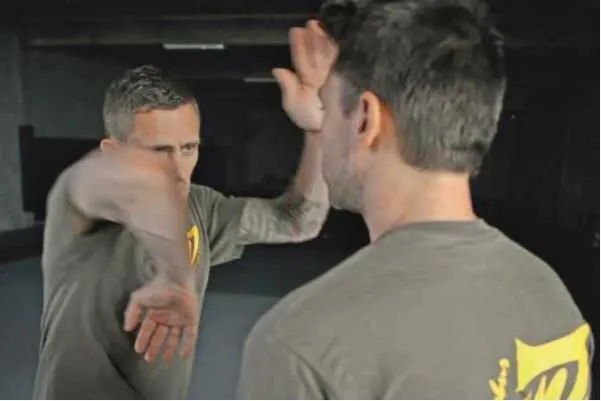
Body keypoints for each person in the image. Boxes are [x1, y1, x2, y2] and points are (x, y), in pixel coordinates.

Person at [237, 1, 594, 399]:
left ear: (366, 118)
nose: (324, 122)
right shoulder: (549, 298)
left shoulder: (300, 345)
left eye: (326, 108)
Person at [32, 59, 331, 398]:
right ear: (112, 153)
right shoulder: (77, 203)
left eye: (188, 148)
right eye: (159, 151)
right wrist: (176, 274)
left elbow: (298, 221)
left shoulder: (201, 207)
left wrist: (317, 131)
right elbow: (100, 184)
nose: (178, 170)